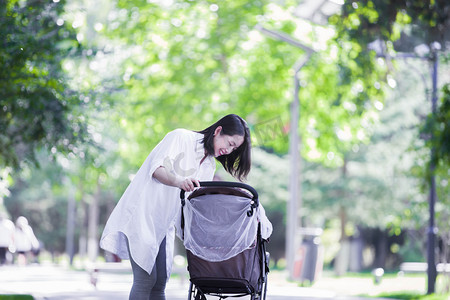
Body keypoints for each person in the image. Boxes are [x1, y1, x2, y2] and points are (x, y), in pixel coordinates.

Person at [100, 114, 251, 300]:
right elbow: (156, 169)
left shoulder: (209, 164)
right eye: (229, 143)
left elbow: (193, 202)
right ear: (218, 131)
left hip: (163, 224)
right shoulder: (180, 137)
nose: (228, 150)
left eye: (233, 148)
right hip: (143, 214)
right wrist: (179, 181)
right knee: (145, 279)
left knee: (160, 281)